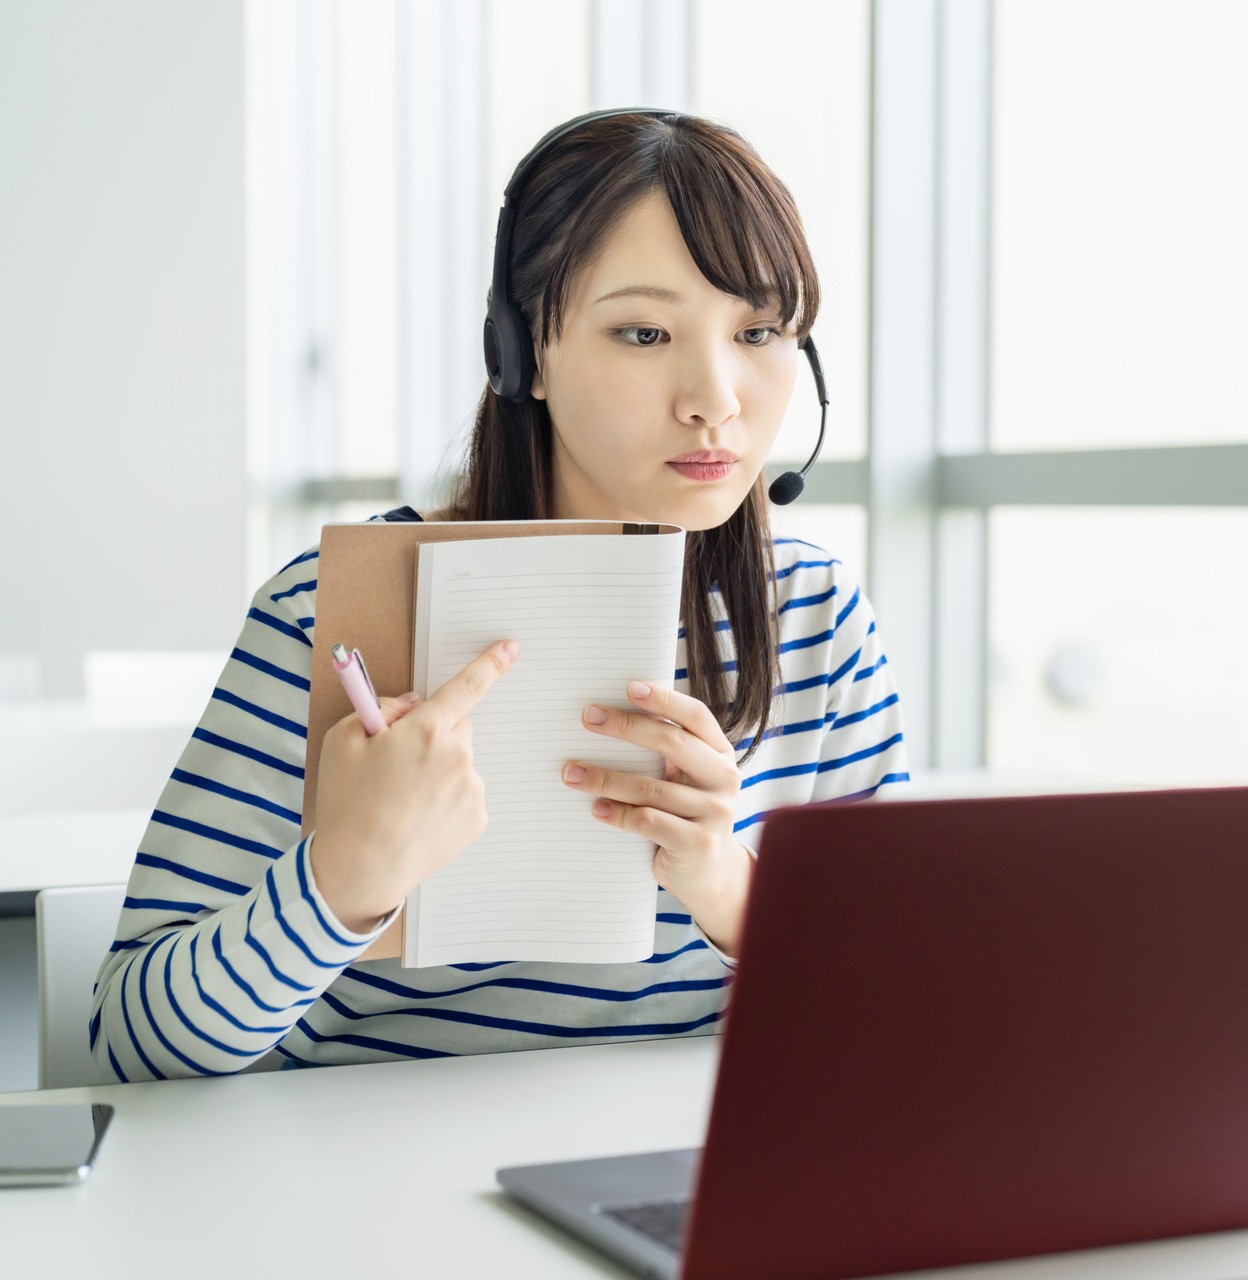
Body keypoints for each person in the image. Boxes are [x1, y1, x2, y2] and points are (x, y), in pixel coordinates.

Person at [89, 111, 909, 1081]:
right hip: (375, 1199)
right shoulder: (333, 611)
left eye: (760, 330)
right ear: (524, 354)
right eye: (644, 331)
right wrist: (338, 881)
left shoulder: (815, 617)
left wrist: (730, 889)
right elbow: (127, 1052)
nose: (715, 396)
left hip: (692, 1189)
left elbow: (903, 1021)